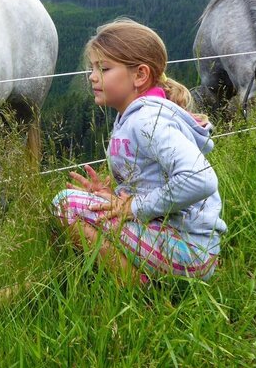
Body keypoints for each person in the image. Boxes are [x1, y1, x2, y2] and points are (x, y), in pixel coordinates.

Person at [51, 19, 226, 284]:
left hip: (187, 250)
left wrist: (134, 206)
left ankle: (139, 288)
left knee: (65, 204)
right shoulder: (135, 117)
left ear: (140, 75)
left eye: (103, 68)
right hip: (179, 243)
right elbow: (153, 184)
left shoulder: (147, 120)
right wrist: (114, 197)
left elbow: (200, 179)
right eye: (92, 68)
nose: (92, 76)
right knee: (82, 203)